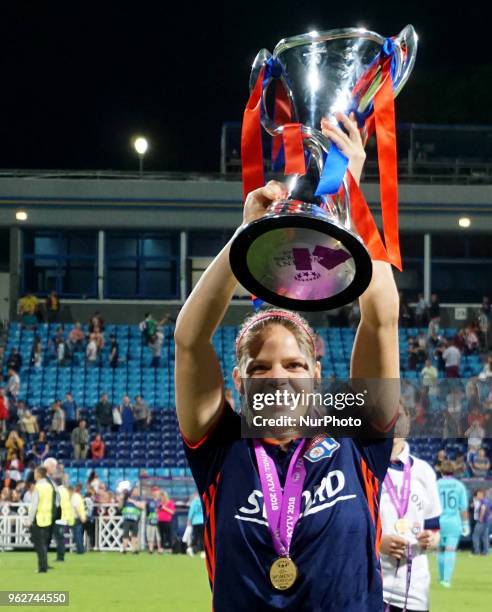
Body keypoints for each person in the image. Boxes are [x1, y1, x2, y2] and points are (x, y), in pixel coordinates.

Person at [174, 112, 400, 610]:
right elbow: (190, 340)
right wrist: (247, 235)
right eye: (259, 369)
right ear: (236, 381)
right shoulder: (221, 447)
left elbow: (381, 316)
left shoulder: (354, 432)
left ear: (318, 375)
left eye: (295, 366)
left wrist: (350, 194)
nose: (277, 377)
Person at [380, 434, 441, 612]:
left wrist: (431, 539)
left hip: (414, 591)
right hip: (374, 586)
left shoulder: (424, 471)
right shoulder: (365, 467)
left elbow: (434, 530)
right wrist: (378, 543)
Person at [436, 460, 470, 588]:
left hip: (438, 523)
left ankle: (440, 578)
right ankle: (446, 580)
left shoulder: (436, 484)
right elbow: (463, 508)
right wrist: (465, 524)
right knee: (450, 551)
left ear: (441, 470)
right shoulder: (459, 486)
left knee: (440, 551)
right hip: (453, 523)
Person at [26, 466, 54, 573]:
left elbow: (34, 505)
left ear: (38, 474)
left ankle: (42, 567)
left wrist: (29, 519)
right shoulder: (49, 486)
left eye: (35, 473)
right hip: (48, 518)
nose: (34, 475)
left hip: (38, 518)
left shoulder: (38, 487)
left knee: (38, 545)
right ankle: (45, 565)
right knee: (44, 544)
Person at [53, 476, 74, 562]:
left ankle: (60, 557)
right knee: (60, 538)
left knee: (59, 538)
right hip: (64, 516)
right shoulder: (65, 491)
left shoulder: (57, 491)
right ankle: (60, 556)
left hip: (59, 517)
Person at [119, 486, 145, 554]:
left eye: (137, 490)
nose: (136, 492)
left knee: (134, 535)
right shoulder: (126, 498)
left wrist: (133, 501)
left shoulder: (139, 498)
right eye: (135, 490)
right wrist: (121, 499)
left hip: (135, 519)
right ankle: (124, 549)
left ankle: (134, 549)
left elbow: (142, 506)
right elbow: (120, 507)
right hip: (127, 518)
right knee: (125, 534)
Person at [471, 489, 490, 556]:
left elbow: (483, 508)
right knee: (485, 537)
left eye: (479, 494)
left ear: (482, 494)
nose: (478, 496)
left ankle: (477, 552)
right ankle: (486, 552)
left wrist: (481, 518)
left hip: (481, 521)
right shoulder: (488, 501)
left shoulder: (483, 501)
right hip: (487, 521)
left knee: (475, 536)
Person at [186, 492, 205, 557]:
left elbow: (191, 512)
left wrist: (189, 520)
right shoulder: (203, 501)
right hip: (202, 521)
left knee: (195, 536)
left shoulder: (194, 502)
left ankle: (190, 548)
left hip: (195, 522)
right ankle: (203, 551)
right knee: (203, 537)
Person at [146, 486, 163, 553]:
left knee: (158, 535)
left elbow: (162, 509)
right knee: (150, 534)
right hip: (150, 519)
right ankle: (151, 549)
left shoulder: (160, 501)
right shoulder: (149, 501)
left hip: (159, 520)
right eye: (154, 491)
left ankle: (159, 549)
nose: (155, 492)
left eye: (156, 491)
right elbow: (148, 510)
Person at [71, 483, 87, 554]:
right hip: (78, 517)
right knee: (78, 534)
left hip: (76, 517)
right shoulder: (78, 497)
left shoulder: (75, 496)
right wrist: (82, 516)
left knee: (77, 534)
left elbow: (76, 507)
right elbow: (77, 507)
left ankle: (80, 549)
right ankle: (80, 549)